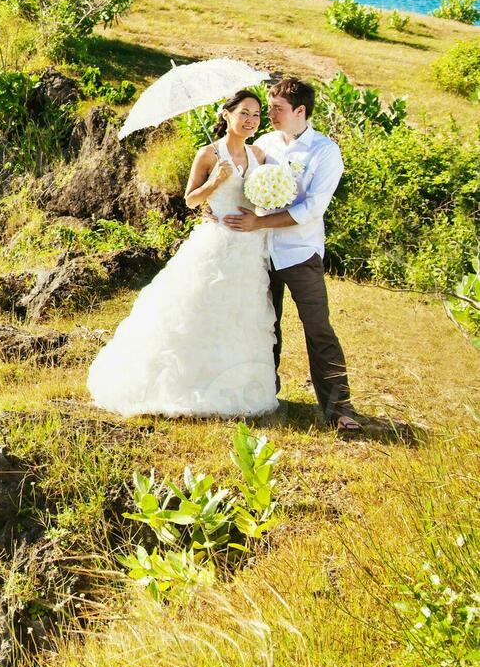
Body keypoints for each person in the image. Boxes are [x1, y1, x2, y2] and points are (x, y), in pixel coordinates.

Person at [87, 90, 278, 418]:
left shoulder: (259, 154)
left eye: (256, 115)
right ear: (226, 114)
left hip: (249, 248)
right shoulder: (208, 154)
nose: (250, 120)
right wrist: (215, 181)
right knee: (199, 307)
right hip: (217, 242)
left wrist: (264, 210)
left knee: (240, 315)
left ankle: (236, 388)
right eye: (244, 113)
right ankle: (186, 385)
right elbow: (191, 199)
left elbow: (264, 194)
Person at [222, 77, 360, 435]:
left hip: (300, 252)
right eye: (268, 107)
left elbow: (314, 208)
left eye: (277, 108)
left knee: (318, 328)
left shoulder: (325, 151)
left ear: (300, 111)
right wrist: (218, 209)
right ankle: (264, 396)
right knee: (266, 325)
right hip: (260, 250)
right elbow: (240, 183)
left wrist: (260, 221)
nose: (269, 114)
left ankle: (339, 409)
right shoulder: (265, 143)